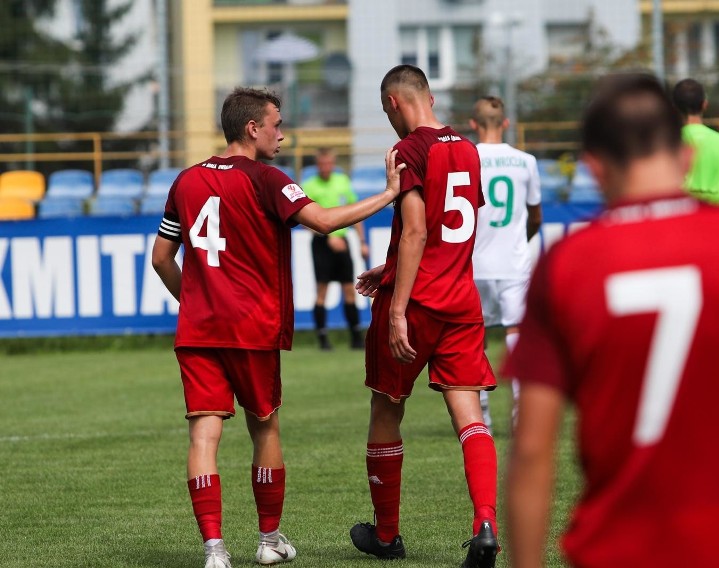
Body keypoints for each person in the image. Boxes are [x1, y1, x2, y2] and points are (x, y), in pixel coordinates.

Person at [504, 73, 719, 568]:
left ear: (593, 168)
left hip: (620, 551)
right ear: (685, 156)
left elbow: (533, 449)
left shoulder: (565, 264)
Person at [151, 87, 405, 568]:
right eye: (276, 124)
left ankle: (214, 551)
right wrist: (390, 193)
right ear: (253, 128)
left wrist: (196, 301)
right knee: (264, 426)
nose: (282, 135)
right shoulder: (267, 179)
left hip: (200, 331)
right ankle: (268, 541)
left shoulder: (184, 181)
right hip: (251, 328)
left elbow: (162, 258)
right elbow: (325, 222)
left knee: (204, 436)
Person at [348, 65, 500, 568]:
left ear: (394, 103)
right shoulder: (467, 149)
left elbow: (416, 231)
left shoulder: (408, 151)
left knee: (386, 409)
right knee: (470, 417)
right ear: (428, 97)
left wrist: (396, 308)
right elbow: (449, 226)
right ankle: (485, 523)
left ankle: (387, 535)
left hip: (416, 304)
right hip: (461, 301)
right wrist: (389, 266)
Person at [468, 96, 542, 431]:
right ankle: (519, 413)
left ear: (473, 124)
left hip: (474, 263)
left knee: (475, 337)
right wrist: (520, 242)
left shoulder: (467, 158)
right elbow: (535, 215)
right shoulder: (525, 161)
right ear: (506, 123)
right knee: (516, 332)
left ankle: (481, 414)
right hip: (514, 263)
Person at [300, 147, 370, 350]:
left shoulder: (342, 182)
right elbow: (304, 219)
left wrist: (362, 242)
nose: (326, 168)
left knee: (349, 287)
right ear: (317, 165)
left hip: (342, 241)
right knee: (322, 288)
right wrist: (326, 235)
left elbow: (354, 213)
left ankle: (356, 338)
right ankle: (323, 339)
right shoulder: (309, 185)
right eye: (322, 164)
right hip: (322, 242)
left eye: (329, 164)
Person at [672, 78, 719, 208]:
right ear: (704, 104)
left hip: (680, 217)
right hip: (718, 218)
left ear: (674, 107)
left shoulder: (666, 146)